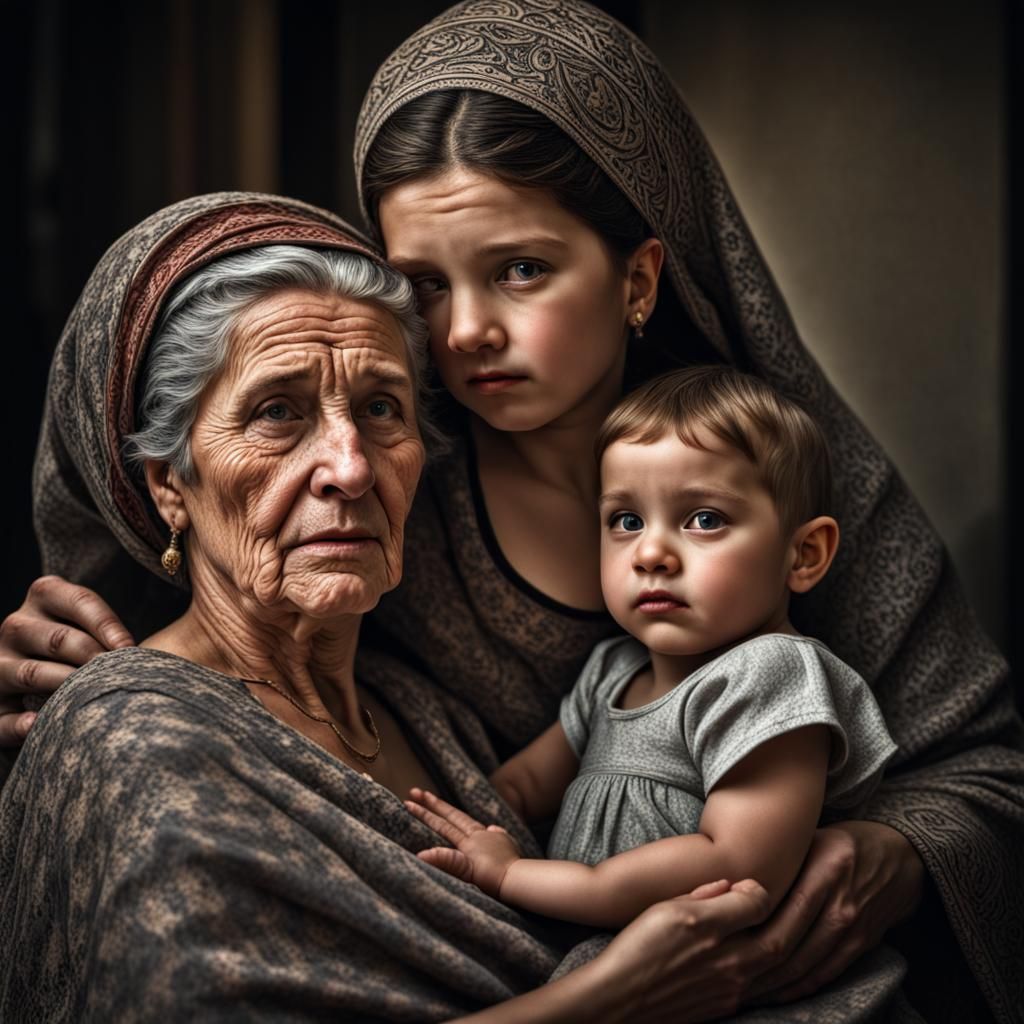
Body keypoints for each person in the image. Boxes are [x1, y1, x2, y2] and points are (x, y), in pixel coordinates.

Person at [2, 1, 1021, 1018]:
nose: (468, 333)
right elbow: (217, 667)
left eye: (521, 270)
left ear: (638, 278)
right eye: (423, 286)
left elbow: (982, 769)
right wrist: (94, 647)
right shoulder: (387, 487)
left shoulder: (769, 466)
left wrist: (884, 856)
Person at [0, 192, 774, 1022]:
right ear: (169, 484)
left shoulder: (426, 714)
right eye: (277, 413)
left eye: (380, 409)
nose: (352, 467)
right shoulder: (131, 739)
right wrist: (617, 998)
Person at [406, 366, 898, 928]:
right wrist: (440, 826)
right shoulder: (611, 671)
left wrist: (513, 877)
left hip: (712, 971)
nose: (651, 553)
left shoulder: (770, 675)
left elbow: (734, 862)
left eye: (705, 519)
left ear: (803, 554)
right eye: (627, 520)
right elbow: (521, 787)